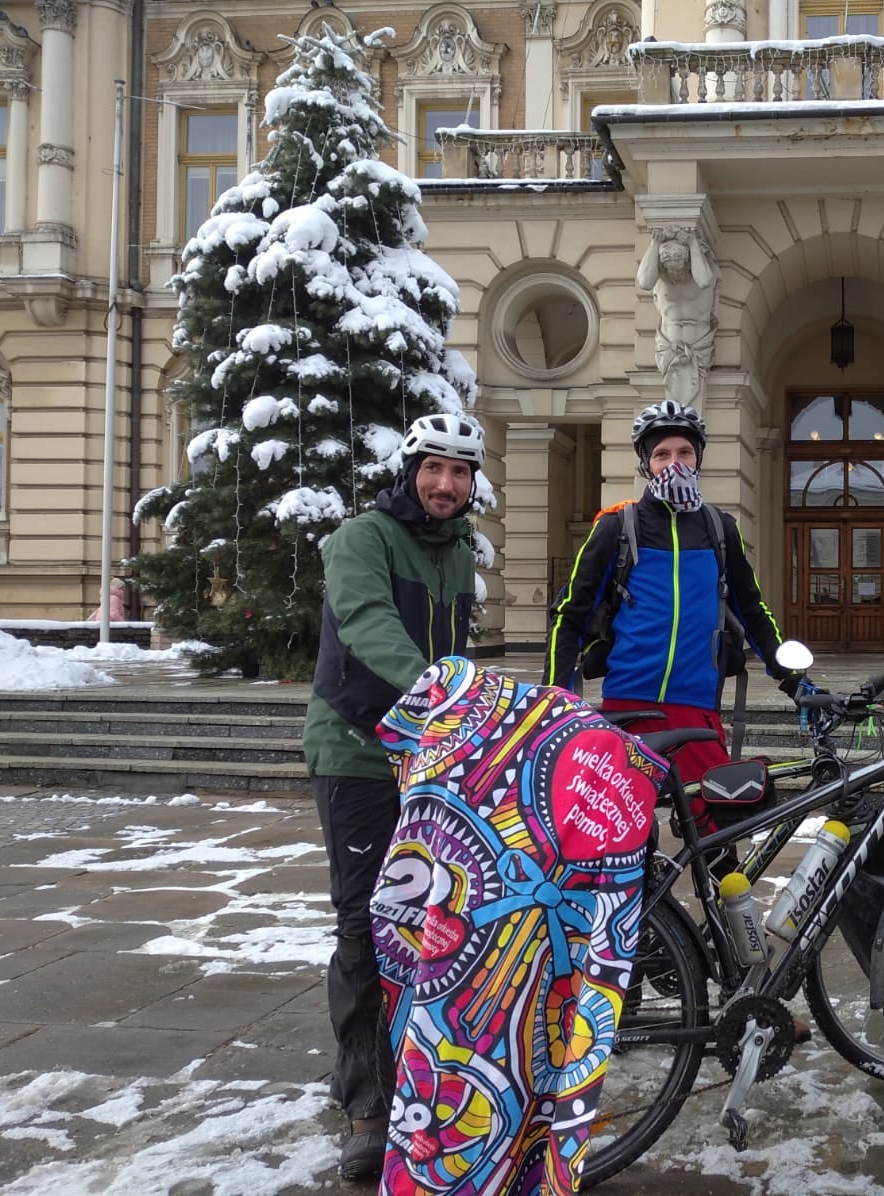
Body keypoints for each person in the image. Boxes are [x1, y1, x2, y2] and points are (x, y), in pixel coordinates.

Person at [370, 656, 670, 1195]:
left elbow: (395, 918)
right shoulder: (463, 760)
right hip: (540, 856)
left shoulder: (444, 770)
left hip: (494, 904)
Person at [301, 411, 484, 1182]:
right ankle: (368, 1102)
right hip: (356, 755)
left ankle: (422, 1077)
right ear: (409, 469)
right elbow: (371, 624)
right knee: (364, 927)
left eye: (461, 472)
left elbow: (456, 651)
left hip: (426, 760)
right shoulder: (361, 539)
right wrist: (438, 692)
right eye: (433, 468)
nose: (446, 484)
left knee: (430, 926)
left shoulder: (456, 552)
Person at [545, 400, 799, 831]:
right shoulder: (616, 528)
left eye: (684, 453)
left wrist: (795, 681)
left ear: (698, 458)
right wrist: (553, 699)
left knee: (719, 838)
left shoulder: (720, 529)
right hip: (627, 709)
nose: (673, 464)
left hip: (697, 710)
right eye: (662, 454)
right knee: (613, 839)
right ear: (646, 463)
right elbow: (570, 615)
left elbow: (753, 611)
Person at [636, 228, 717, 409]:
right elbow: (644, 282)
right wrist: (655, 243)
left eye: (679, 266)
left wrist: (692, 243)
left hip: (698, 345)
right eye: (669, 267)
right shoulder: (660, 276)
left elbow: (704, 281)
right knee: (672, 409)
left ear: (688, 261)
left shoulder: (701, 271)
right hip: (668, 346)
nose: (674, 273)